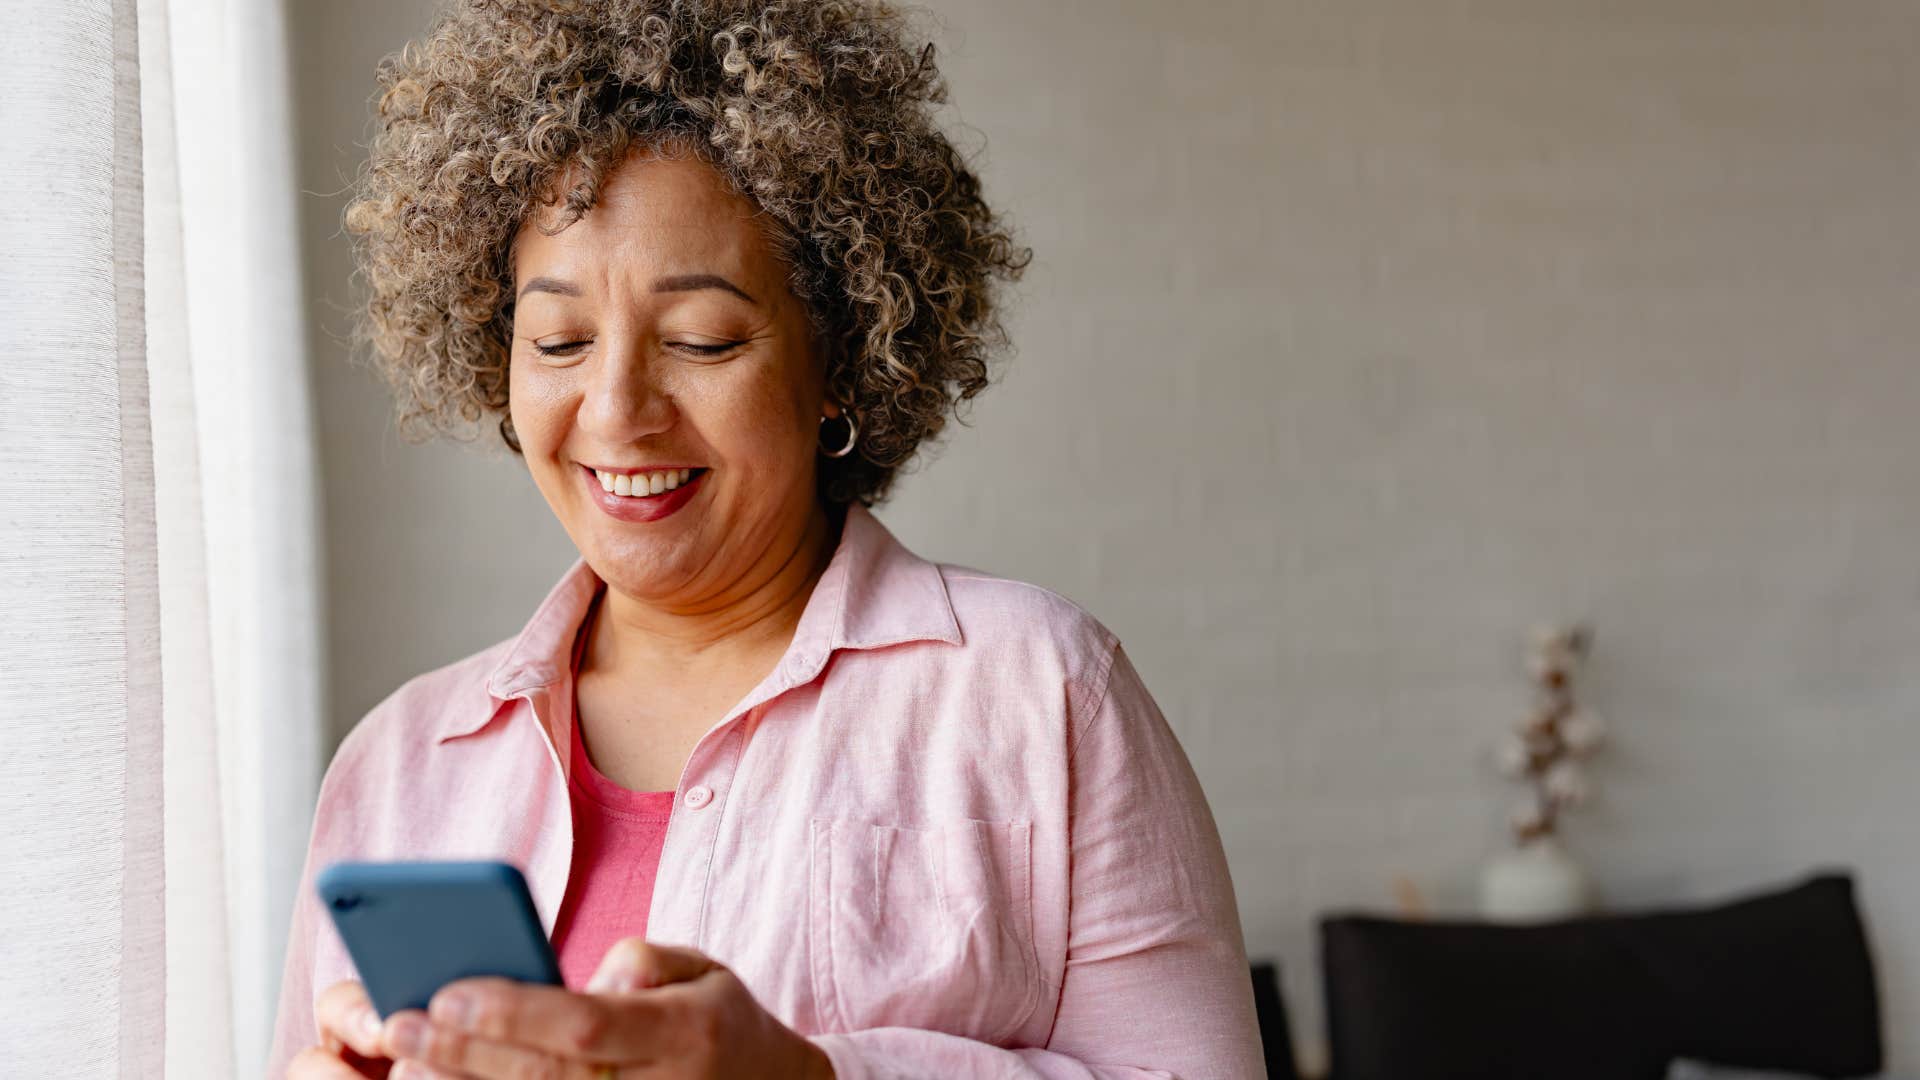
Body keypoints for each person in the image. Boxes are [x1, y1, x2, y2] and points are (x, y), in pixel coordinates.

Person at [273, 2, 1263, 1076]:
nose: (615, 411)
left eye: (700, 339)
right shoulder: (402, 765)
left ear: (839, 357)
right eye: (557, 340)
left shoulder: (1043, 696)